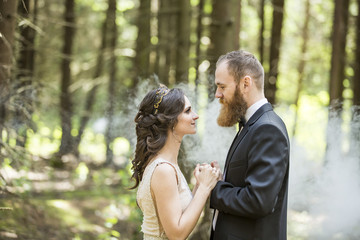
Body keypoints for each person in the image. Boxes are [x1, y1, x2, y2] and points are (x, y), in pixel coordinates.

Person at [209, 50, 290, 240]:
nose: (217, 94)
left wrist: (212, 188)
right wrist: (222, 180)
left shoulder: (268, 129)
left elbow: (258, 201)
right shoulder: (253, 124)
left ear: (245, 83)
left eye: (222, 87)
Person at [130, 85, 220, 240]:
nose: (196, 116)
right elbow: (176, 234)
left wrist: (200, 186)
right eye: (187, 111)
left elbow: (180, 218)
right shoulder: (163, 170)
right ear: (169, 120)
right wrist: (205, 188)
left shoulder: (166, 165)